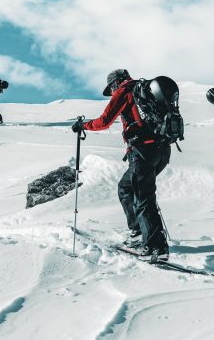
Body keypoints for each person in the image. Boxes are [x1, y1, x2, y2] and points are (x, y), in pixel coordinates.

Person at [71, 69, 171, 263]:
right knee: (127, 188)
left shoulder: (125, 91)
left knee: (143, 197)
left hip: (143, 151)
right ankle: (138, 233)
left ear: (115, 83)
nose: (111, 90)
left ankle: (155, 247)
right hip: (163, 150)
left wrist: (83, 126)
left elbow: (104, 121)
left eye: (111, 87)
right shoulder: (148, 90)